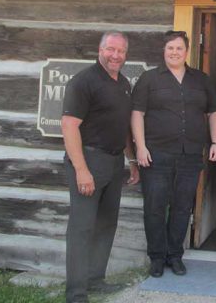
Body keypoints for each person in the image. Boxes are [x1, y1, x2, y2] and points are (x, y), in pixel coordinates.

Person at [131, 30, 216, 278]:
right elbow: (137, 113)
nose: (174, 52)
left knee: (183, 207)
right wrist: (140, 146)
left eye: (179, 48)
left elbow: (215, 112)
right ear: (164, 51)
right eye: (170, 48)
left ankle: (175, 255)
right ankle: (157, 258)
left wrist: (215, 142)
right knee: (155, 207)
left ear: (187, 51)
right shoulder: (149, 79)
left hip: (190, 155)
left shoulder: (201, 80)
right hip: (156, 154)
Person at [60, 31, 140, 303]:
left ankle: (95, 280)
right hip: (89, 160)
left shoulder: (124, 83)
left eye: (121, 51)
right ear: (100, 49)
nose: (115, 55)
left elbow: (123, 127)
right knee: (82, 228)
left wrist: (131, 160)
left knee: (106, 224)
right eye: (111, 49)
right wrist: (82, 170)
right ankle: (76, 293)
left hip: (114, 162)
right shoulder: (84, 82)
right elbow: (69, 126)